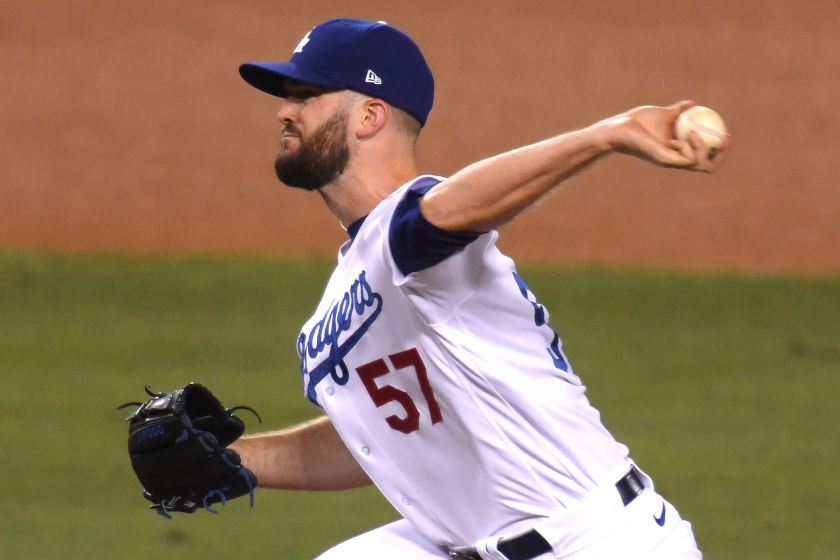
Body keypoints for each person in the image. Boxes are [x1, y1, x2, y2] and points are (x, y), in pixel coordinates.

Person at [230, 18, 729, 560]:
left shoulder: (416, 232)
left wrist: (606, 136)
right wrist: (235, 460)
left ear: (369, 115)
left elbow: (438, 216)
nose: (284, 109)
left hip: (600, 543)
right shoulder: (350, 286)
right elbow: (385, 437)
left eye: (306, 95)